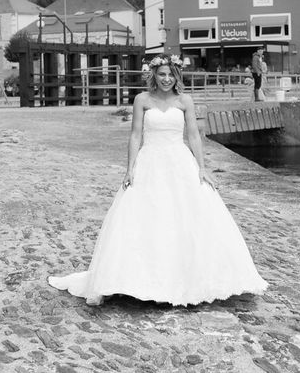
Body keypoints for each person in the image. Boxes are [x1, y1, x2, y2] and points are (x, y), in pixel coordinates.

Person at [48, 54, 268, 306]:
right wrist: (130, 169)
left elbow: (194, 136)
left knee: (187, 217)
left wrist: (202, 167)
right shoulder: (142, 100)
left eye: (170, 74)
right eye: (161, 74)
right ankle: (133, 280)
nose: (166, 79)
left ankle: (187, 280)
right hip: (150, 162)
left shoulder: (185, 100)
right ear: (154, 75)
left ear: (177, 76)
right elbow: (135, 136)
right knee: (143, 217)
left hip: (179, 162)